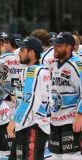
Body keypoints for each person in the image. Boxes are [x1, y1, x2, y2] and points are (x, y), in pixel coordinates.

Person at [8, 37, 52, 160]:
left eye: (22, 50)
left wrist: (13, 121)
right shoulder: (37, 70)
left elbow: (28, 101)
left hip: (33, 127)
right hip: (29, 125)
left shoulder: (34, 71)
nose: (19, 53)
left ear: (31, 53)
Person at [48, 32, 82, 160]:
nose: (55, 47)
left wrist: (79, 115)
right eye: (54, 44)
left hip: (71, 121)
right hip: (55, 121)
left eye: (59, 45)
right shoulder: (53, 65)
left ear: (69, 47)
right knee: (56, 155)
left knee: (71, 157)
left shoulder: (78, 65)